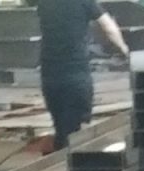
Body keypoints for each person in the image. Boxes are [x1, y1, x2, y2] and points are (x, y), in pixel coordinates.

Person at [37, 0, 129, 150]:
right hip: (76, 75)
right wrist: (125, 49)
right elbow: (109, 27)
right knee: (76, 132)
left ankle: (60, 156)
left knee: (60, 127)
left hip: (50, 75)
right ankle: (69, 160)